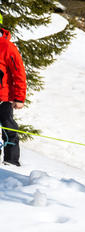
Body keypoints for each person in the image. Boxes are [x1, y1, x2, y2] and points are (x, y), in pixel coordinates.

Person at [0, 13, 27, 167]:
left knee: (8, 130)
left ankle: (11, 162)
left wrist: (19, 98)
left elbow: (19, 73)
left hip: (3, 98)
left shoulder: (7, 47)